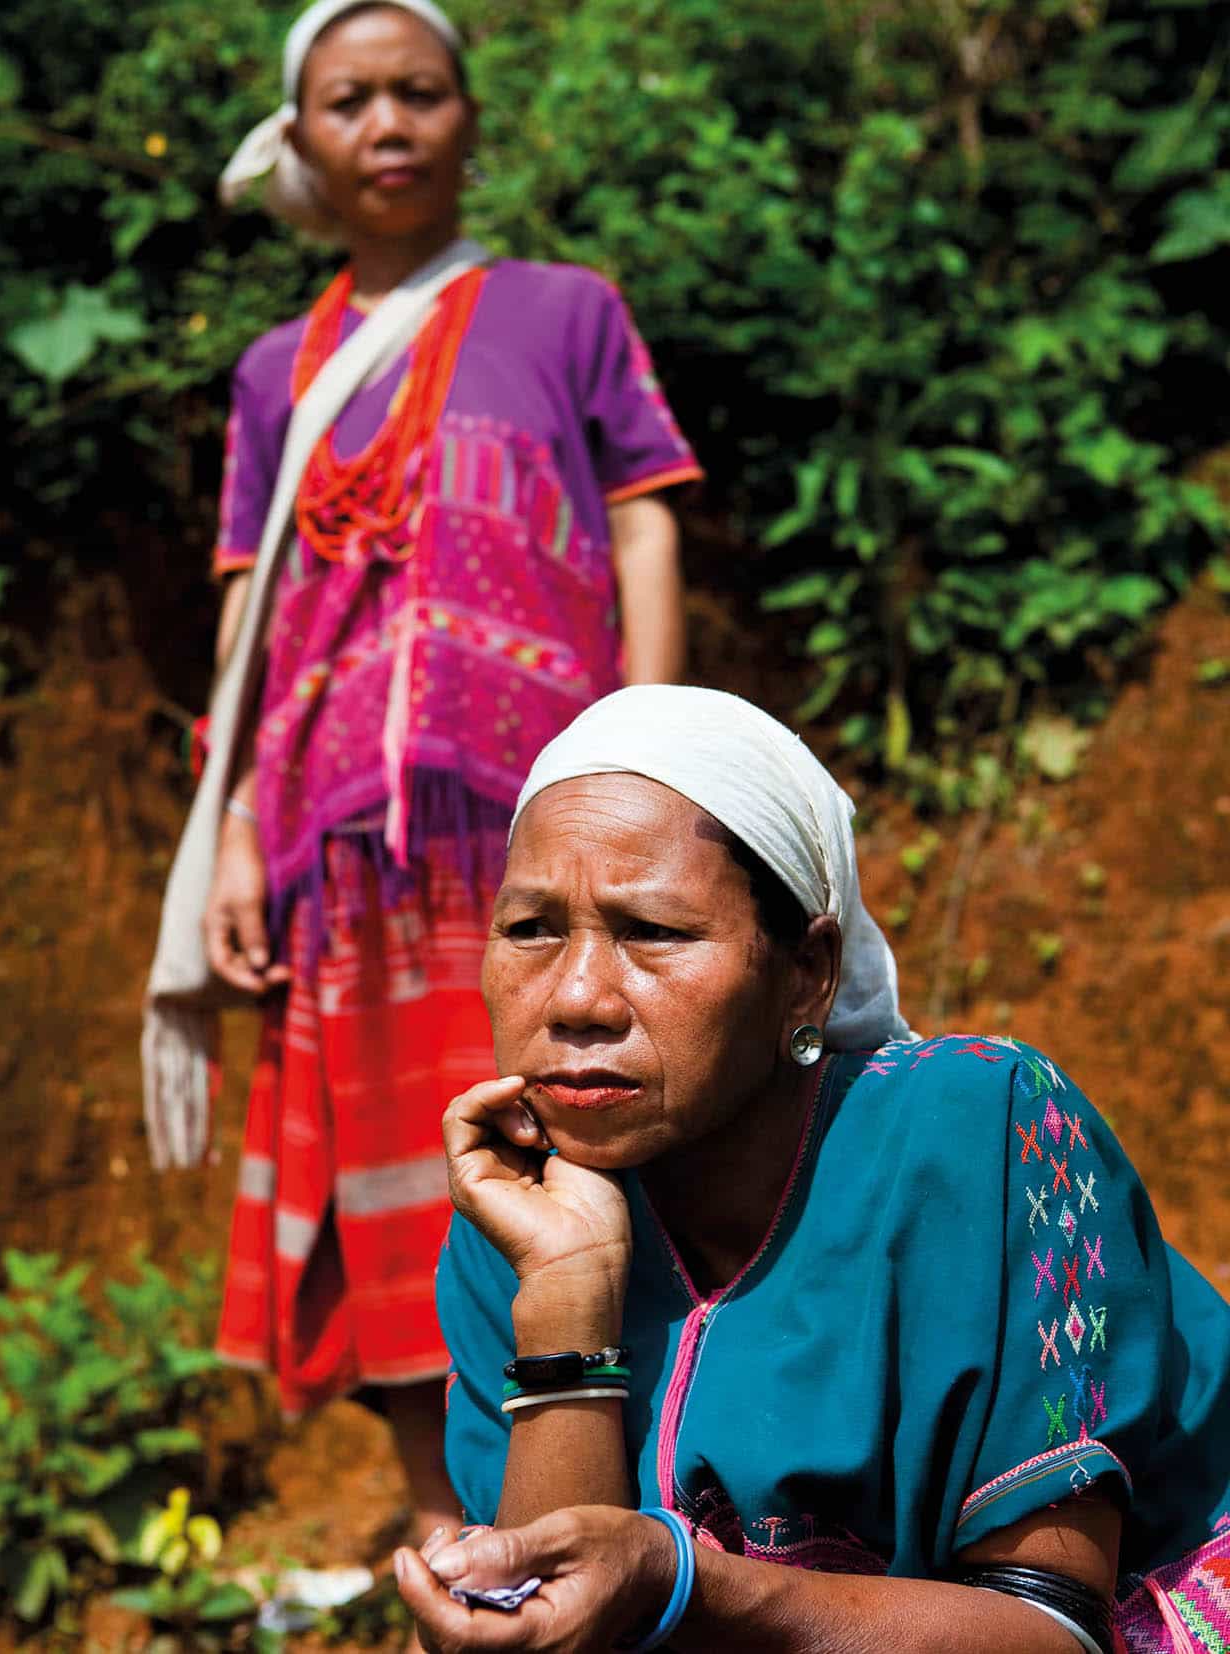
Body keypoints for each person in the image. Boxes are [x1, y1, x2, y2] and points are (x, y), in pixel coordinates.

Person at [395, 684, 1230, 1653]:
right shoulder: (517, 1222)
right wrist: (569, 1298)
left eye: (652, 932)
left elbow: (1050, 1631)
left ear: (808, 972)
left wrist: (681, 1581)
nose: (578, 995)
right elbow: (537, 1632)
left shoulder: (983, 1135)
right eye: (532, 928)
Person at [200, 0, 702, 1555]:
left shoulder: (563, 310)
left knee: (591, 1133)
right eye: (352, 100)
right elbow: (250, 606)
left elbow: (640, 518)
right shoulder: (279, 368)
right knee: (395, 1188)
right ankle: (446, 1521)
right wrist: (227, 828)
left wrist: (656, 752)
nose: (392, 122)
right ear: (305, 141)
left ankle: (633, 1497)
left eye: (421, 91)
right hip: (338, 842)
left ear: (470, 122)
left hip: (538, 823)